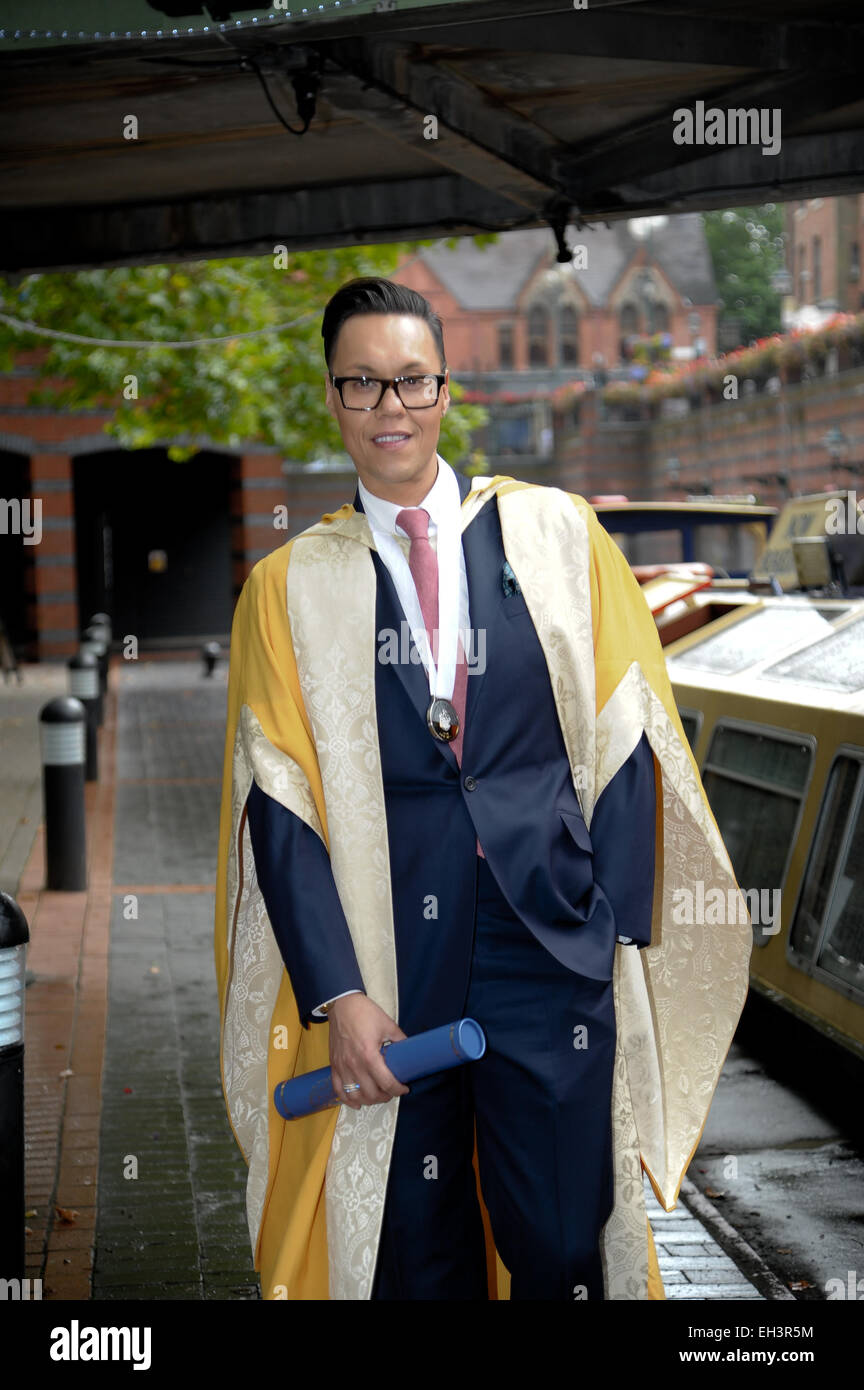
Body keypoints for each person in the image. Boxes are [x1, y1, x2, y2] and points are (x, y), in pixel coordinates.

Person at [214, 277, 752, 1301]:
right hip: (388, 959)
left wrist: (608, 929)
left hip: (545, 945)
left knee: (560, 1243)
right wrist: (338, 995)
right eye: (362, 384)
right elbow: (276, 804)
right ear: (332, 398)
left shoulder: (559, 537)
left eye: (411, 381)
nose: (390, 409)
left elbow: (628, 726)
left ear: (447, 391)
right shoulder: (287, 589)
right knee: (414, 1251)